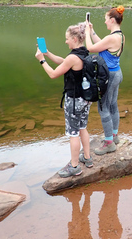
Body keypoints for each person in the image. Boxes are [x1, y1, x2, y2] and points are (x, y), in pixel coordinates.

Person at [35, 23, 93, 177]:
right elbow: (64, 62)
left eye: (67, 39)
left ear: (74, 38)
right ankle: (87, 158)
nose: (65, 41)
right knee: (83, 128)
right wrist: (47, 53)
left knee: (73, 133)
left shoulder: (73, 57)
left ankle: (74, 167)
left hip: (74, 100)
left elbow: (53, 74)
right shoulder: (84, 52)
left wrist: (42, 60)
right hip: (86, 99)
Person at [85, 6, 125, 155]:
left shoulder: (111, 37)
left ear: (112, 20)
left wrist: (87, 33)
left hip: (109, 77)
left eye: (106, 19)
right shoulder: (119, 35)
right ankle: (114, 136)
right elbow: (102, 45)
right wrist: (93, 31)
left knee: (103, 108)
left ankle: (108, 143)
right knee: (113, 104)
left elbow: (90, 47)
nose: (105, 22)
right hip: (117, 74)